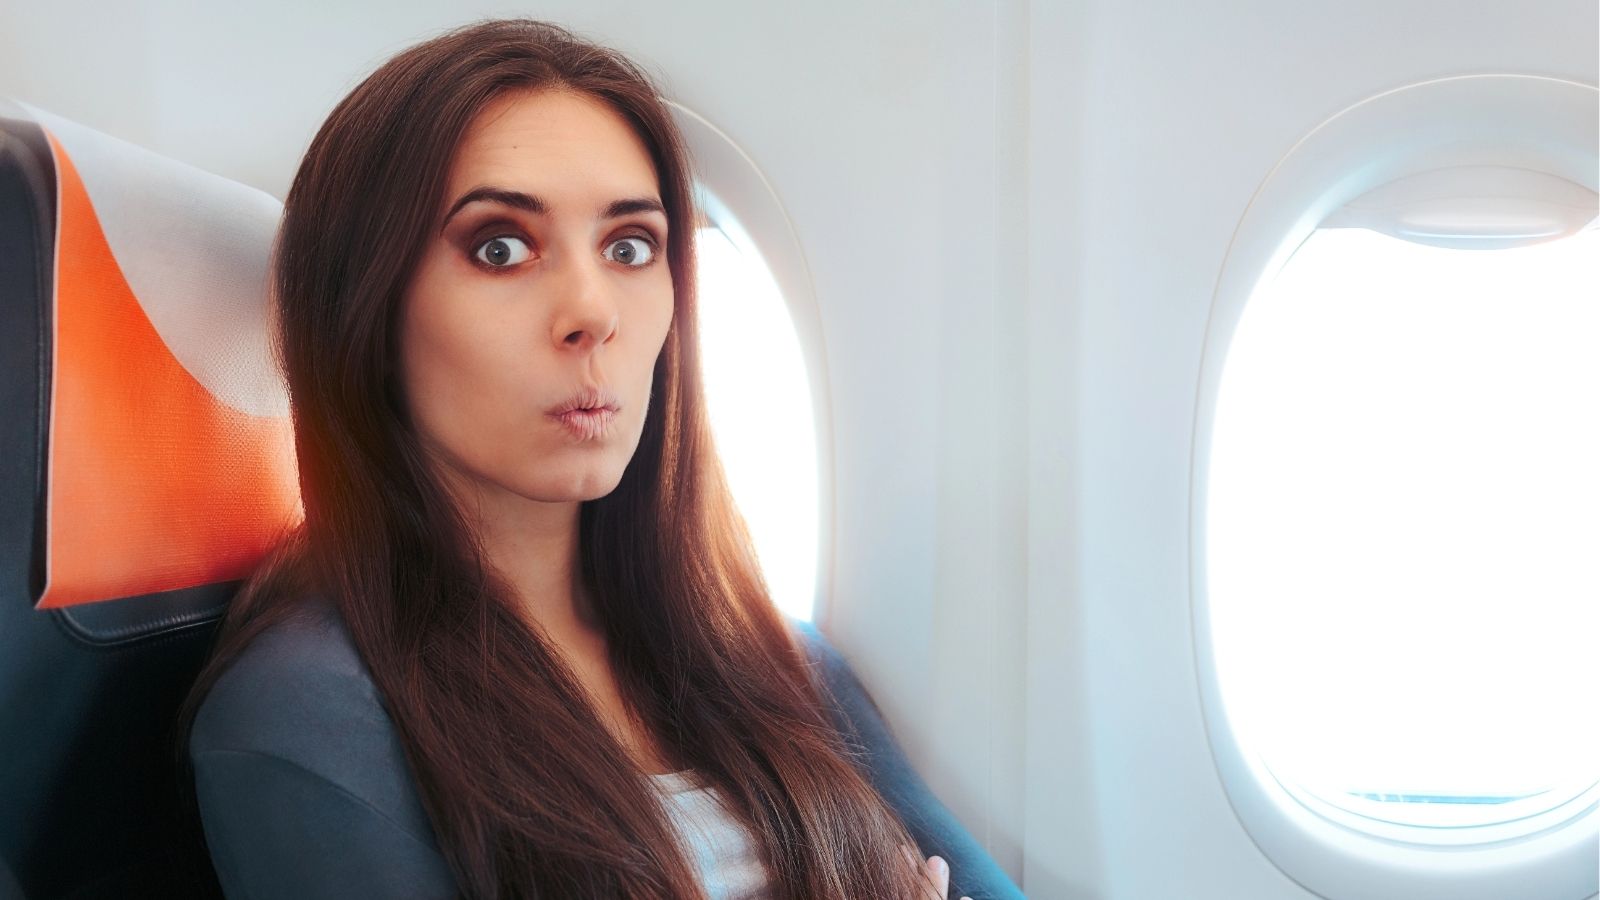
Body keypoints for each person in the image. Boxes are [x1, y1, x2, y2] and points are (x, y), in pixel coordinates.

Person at [180, 17, 1024, 900]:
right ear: (369, 313)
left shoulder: (774, 653)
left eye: (629, 247)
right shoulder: (304, 717)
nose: (594, 311)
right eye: (500, 248)